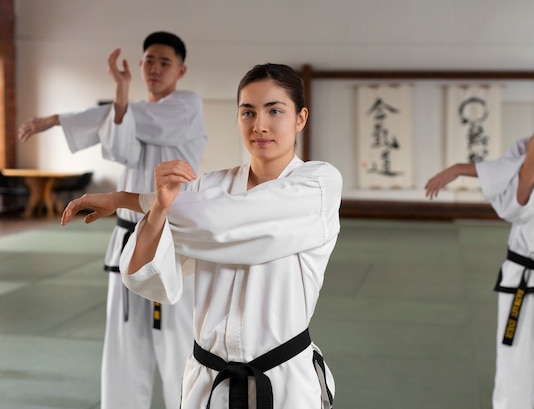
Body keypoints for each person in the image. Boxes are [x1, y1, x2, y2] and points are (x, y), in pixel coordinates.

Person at [61, 63, 339, 409]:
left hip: (282, 382)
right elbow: (149, 278)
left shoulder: (319, 183)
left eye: (275, 110)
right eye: (247, 112)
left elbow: (220, 223)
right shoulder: (209, 186)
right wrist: (158, 209)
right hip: (208, 384)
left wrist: (125, 200)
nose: (260, 125)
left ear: (300, 118)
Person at [18, 31, 207, 409]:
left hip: (172, 241)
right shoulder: (129, 114)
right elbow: (119, 146)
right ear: (139, 65)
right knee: (124, 342)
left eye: (164, 62)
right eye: (148, 60)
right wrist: (120, 92)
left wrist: (54, 119)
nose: (154, 68)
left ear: (181, 70)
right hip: (127, 238)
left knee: (178, 342)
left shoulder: (187, 106)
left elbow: (127, 120)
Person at [425, 65, 534, 409]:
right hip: (520, 274)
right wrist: (529, 162)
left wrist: (467, 168)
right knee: (511, 374)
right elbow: (512, 208)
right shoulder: (522, 147)